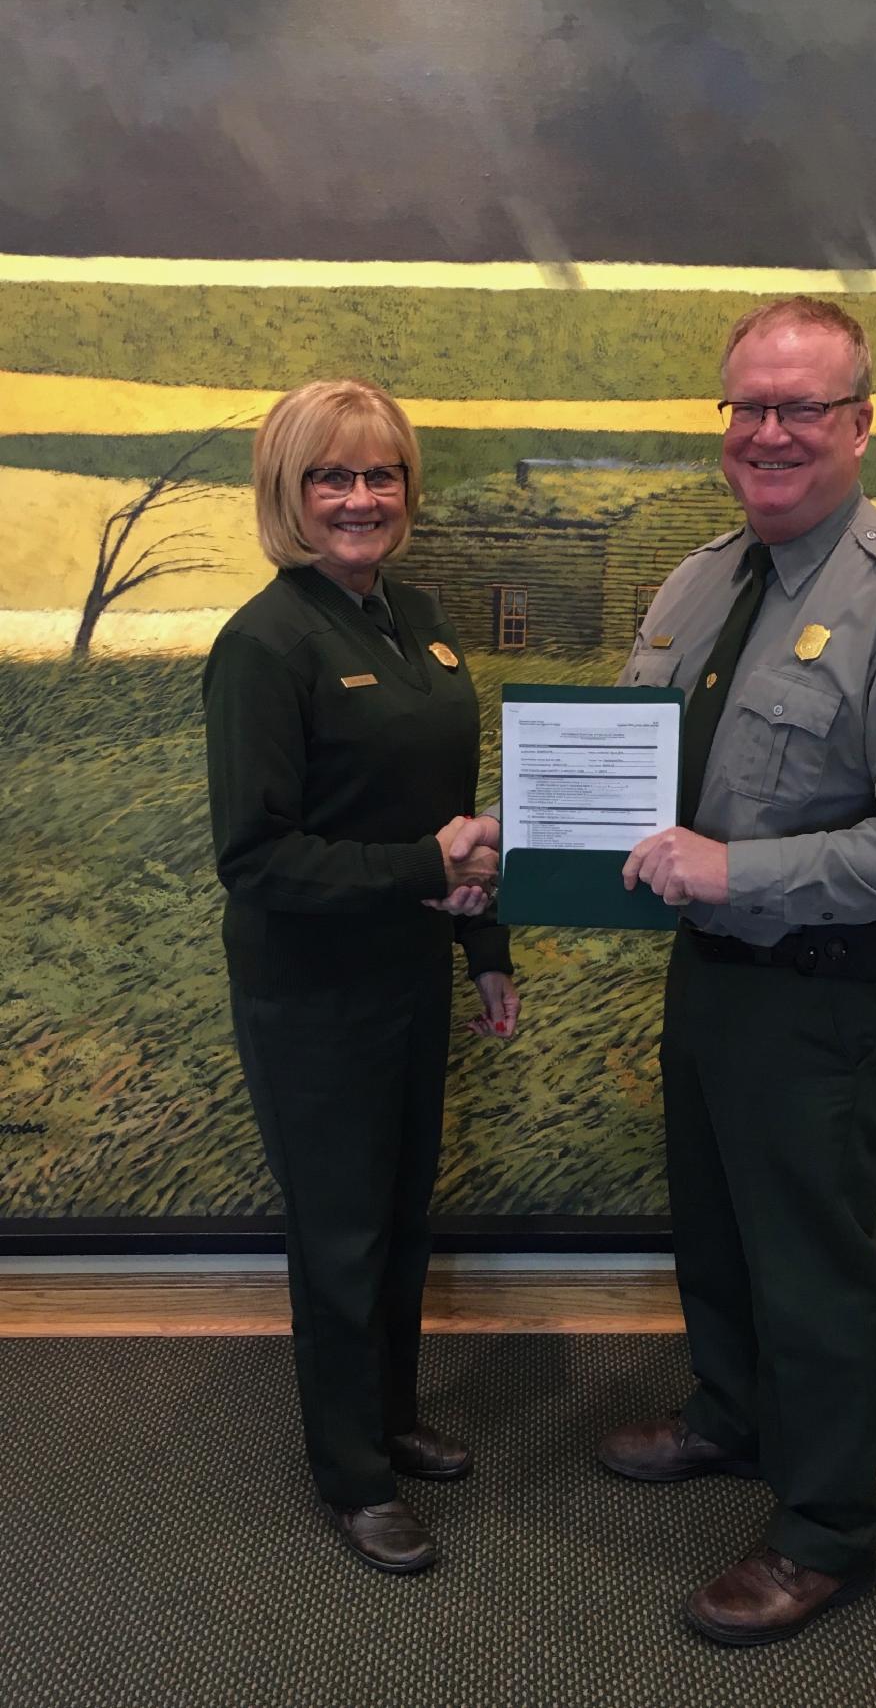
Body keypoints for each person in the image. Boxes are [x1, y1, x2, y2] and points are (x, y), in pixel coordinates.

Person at [600, 297, 876, 1645]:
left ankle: (826, 1530)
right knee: (718, 1224)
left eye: (802, 407)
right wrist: (523, 833)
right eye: (748, 406)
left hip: (826, 991)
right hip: (711, 975)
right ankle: (733, 1413)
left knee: (815, 1263)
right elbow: (631, 769)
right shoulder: (700, 581)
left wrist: (743, 871)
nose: (768, 432)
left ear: (859, 424)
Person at [203, 378, 519, 1575]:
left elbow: (455, 816)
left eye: (380, 474)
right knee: (340, 1235)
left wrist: (483, 947)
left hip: (408, 969)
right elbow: (255, 857)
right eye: (329, 476)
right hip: (312, 989)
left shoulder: (417, 619)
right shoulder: (264, 644)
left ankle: (389, 1416)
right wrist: (422, 867)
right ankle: (352, 1475)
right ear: (286, 492)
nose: (359, 497)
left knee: (399, 1217)